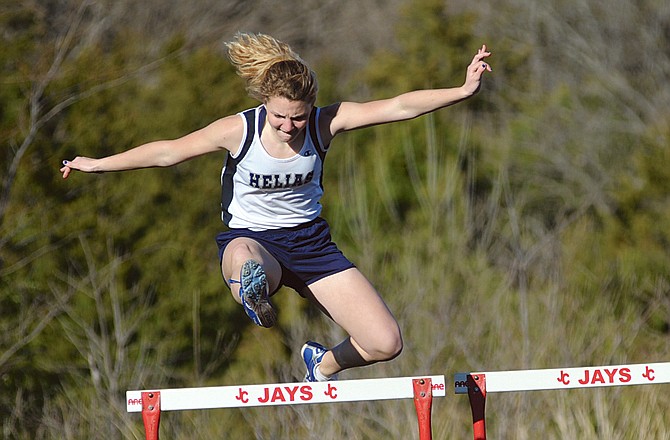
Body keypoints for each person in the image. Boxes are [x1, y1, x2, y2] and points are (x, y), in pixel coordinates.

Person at [60, 32, 492, 382]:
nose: (288, 128)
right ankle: (251, 292)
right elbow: (168, 152)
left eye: (298, 119)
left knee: (385, 342)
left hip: (310, 244)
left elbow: (397, 106)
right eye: (279, 117)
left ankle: (321, 365)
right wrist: (98, 164)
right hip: (252, 241)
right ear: (265, 103)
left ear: (311, 109)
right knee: (247, 261)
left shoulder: (326, 123)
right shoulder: (239, 131)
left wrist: (461, 89)